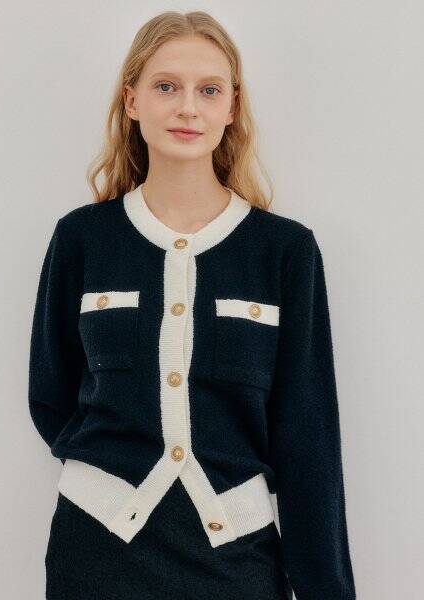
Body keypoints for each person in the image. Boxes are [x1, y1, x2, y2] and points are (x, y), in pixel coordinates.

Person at [28, 10, 357, 600]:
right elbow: (50, 393)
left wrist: (325, 588)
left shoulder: (284, 251)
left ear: (232, 107)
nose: (188, 108)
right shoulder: (82, 239)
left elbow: (308, 438)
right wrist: (110, 480)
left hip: (237, 562)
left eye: (209, 90)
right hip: (95, 554)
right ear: (132, 100)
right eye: (166, 87)